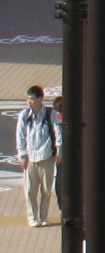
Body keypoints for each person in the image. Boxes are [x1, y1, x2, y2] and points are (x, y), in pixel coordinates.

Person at [15, 86, 59, 226]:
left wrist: (59, 152)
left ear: (40, 99)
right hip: (30, 158)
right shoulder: (24, 115)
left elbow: (59, 133)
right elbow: (20, 136)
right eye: (27, 99)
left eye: (32, 99)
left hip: (46, 157)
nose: (29, 102)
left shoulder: (50, 114)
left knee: (46, 190)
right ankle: (32, 217)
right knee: (30, 190)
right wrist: (22, 155)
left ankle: (44, 217)